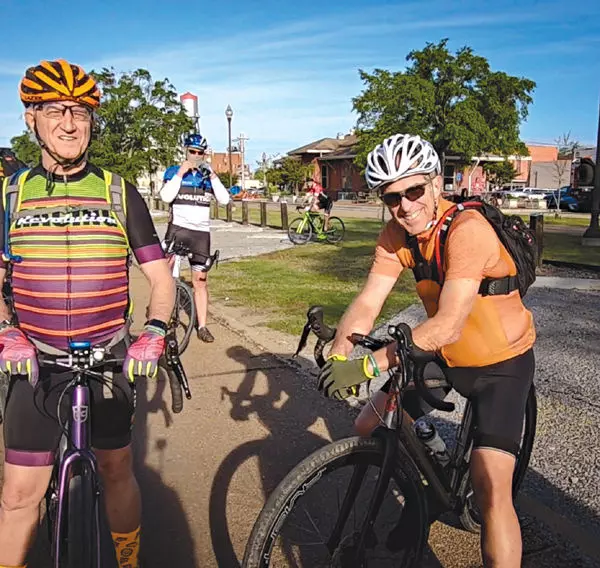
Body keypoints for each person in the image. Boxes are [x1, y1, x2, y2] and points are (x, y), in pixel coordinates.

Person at [317, 133, 536, 568]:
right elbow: (368, 302)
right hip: (446, 356)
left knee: (491, 488)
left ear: (436, 183)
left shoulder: (467, 231)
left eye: (414, 190)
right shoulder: (396, 235)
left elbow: (448, 322)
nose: (405, 206)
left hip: (502, 364)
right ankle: (432, 475)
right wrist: (340, 354)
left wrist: (368, 366)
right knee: (367, 423)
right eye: (391, 197)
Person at [0, 59, 175, 568]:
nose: (69, 123)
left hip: (107, 359)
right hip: (36, 362)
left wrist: (154, 331)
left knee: (117, 469)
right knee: (18, 495)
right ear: (31, 118)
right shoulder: (10, 195)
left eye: (80, 112)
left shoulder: (118, 191)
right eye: (55, 110)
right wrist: (6, 330)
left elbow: (161, 278)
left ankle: (128, 561)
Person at [160, 134, 230, 343]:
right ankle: (162, 320)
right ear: (186, 150)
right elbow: (165, 196)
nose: (196, 156)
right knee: (167, 278)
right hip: (178, 230)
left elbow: (225, 200)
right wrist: (180, 173)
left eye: (200, 153)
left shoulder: (206, 176)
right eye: (192, 151)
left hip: (200, 235)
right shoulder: (173, 171)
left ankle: (202, 326)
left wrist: (213, 176)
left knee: (200, 281)